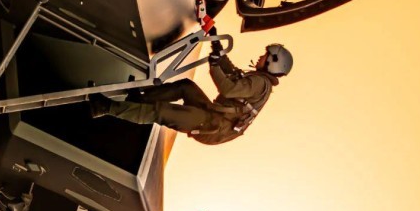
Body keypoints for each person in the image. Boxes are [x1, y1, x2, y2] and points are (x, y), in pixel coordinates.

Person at [90, 42, 293, 145]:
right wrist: (218, 49)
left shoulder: (260, 83)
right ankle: (139, 100)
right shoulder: (259, 81)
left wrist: (214, 65)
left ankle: (105, 108)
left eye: (265, 55)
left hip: (213, 126)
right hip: (214, 116)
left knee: (162, 112)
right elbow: (232, 74)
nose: (261, 56)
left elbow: (228, 88)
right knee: (185, 87)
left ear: (272, 63)